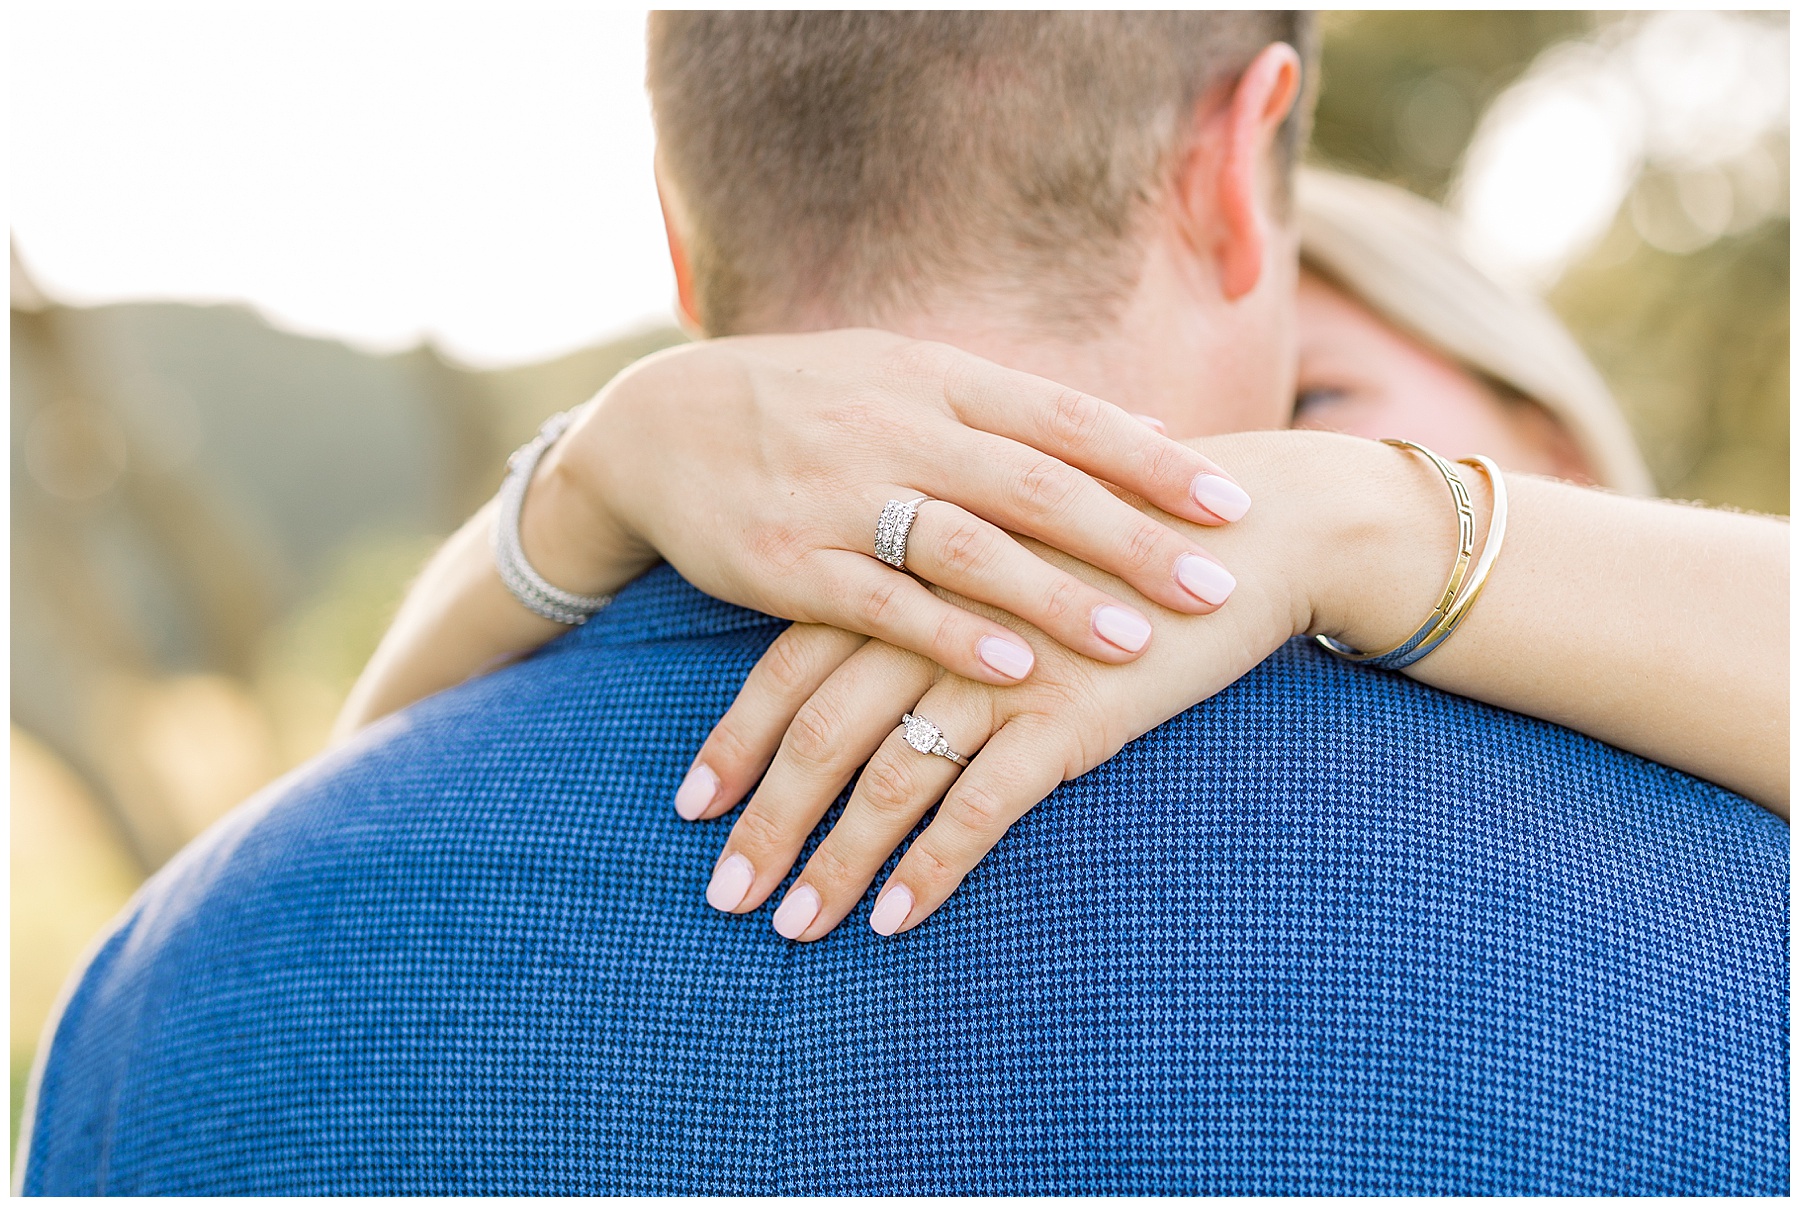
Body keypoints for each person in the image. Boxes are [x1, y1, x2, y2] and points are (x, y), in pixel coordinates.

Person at [21, 13, 1785, 1195]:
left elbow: (335, 799)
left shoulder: (175, 987)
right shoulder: (1736, 922)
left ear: (678, 232)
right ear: (1237, 169)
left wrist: (569, 492)